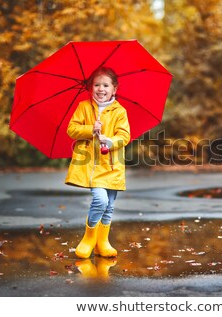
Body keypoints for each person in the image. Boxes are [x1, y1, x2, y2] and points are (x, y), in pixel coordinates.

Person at [65, 66, 130, 259]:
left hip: (112, 165)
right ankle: (88, 238)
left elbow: (124, 136)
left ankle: (102, 243)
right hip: (93, 167)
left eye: (105, 85)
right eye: (96, 85)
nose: (101, 89)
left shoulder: (120, 111)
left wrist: (110, 141)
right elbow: (71, 129)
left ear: (114, 89)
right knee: (100, 201)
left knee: (109, 205)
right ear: (91, 87)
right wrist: (90, 129)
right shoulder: (84, 107)